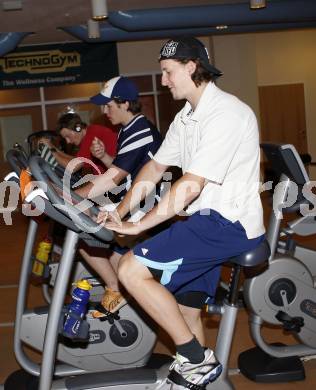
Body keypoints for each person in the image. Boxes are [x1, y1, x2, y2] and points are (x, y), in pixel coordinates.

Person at [101, 37, 266, 389]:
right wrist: (120, 211)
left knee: (131, 268)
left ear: (192, 67)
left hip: (228, 224)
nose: (163, 81)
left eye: (168, 72)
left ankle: (195, 359)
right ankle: (192, 376)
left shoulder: (226, 114)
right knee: (185, 307)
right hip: (204, 220)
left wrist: (138, 226)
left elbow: (190, 185)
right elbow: (155, 167)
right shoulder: (187, 116)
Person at [76, 76, 162, 317]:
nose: (105, 111)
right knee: (86, 226)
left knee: (83, 233)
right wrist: (104, 157)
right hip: (135, 197)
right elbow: (123, 170)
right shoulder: (129, 128)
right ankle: (120, 286)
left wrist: (70, 196)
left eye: (109, 106)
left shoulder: (141, 129)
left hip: (148, 202)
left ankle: (116, 287)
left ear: (125, 103)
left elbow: (112, 178)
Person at [40, 110, 117, 175]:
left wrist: (51, 150)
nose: (68, 141)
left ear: (78, 128)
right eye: (65, 138)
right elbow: (75, 160)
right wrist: (53, 148)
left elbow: (72, 167)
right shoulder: (90, 132)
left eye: (68, 136)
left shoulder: (91, 137)